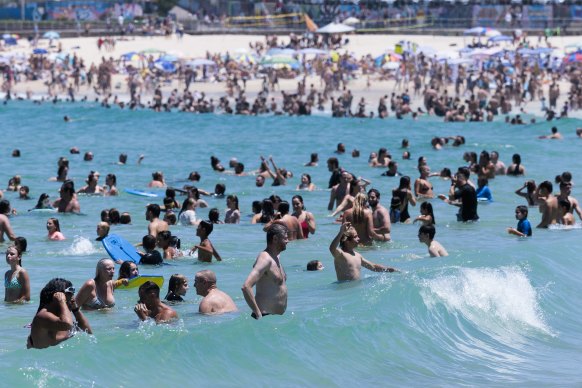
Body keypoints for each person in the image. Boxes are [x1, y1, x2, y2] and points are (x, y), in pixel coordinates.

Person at [27, 278, 92, 349]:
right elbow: (66, 325)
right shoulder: (42, 317)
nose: (73, 298)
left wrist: (75, 309)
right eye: (70, 293)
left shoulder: (62, 317)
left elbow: (88, 332)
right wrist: (62, 301)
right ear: (57, 296)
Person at [242, 224, 289, 319]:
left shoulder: (276, 257)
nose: (288, 241)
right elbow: (246, 287)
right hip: (264, 318)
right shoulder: (265, 259)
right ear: (275, 239)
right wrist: (258, 314)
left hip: (275, 319)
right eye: (285, 238)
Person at [329, 222, 397, 282]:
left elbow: (373, 267)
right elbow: (332, 248)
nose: (358, 239)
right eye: (355, 237)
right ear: (346, 241)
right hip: (344, 289)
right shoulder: (341, 255)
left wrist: (390, 269)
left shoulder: (357, 255)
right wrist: (341, 232)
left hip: (355, 289)